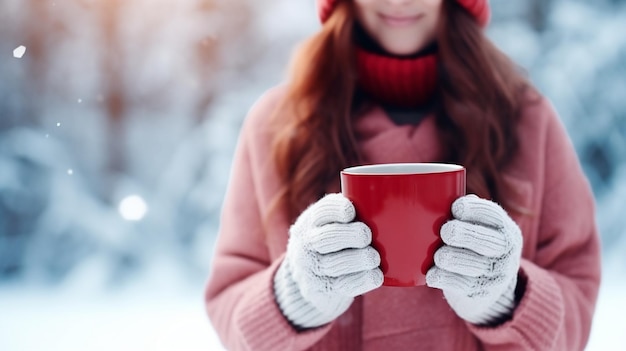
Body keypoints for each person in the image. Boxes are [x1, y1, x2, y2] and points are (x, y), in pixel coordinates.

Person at [204, 0, 601, 350]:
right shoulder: (276, 125)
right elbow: (230, 306)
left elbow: (576, 305)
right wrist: (296, 294)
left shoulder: (527, 120)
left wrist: (505, 295)